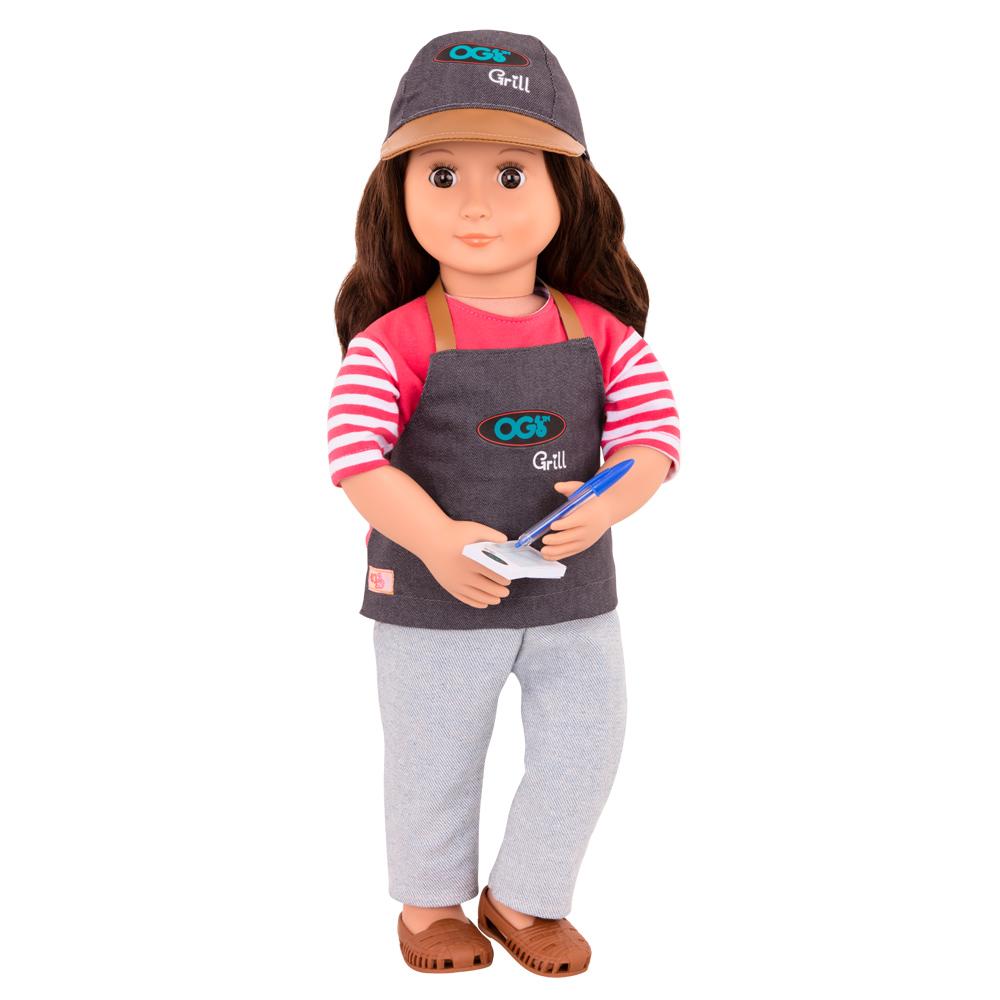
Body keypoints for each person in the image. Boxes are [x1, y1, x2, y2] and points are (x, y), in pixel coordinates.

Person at [327, 30, 681, 977]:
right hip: (435, 599)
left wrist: (609, 504)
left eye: (512, 175)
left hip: (573, 598)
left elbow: (653, 439)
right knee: (433, 754)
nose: (476, 204)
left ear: (569, 191)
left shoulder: (603, 333)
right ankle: (428, 906)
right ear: (397, 191)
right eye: (442, 175)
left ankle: (526, 893)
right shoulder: (392, 343)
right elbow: (356, 459)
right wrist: (438, 541)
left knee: (586, 746)